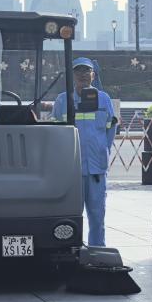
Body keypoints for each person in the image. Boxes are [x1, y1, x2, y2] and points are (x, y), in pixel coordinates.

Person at [52, 58, 117, 246]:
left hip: (96, 169)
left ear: (93, 75)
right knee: (71, 215)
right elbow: (55, 132)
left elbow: (110, 128)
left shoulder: (104, 99)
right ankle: (71, 249)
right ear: (72, 76)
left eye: (86, 71)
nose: (82, 75)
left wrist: (103, 150)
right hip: (72, 169)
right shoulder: (63, 100)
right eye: (78, 71)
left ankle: (96, 249)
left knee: (97, 215)